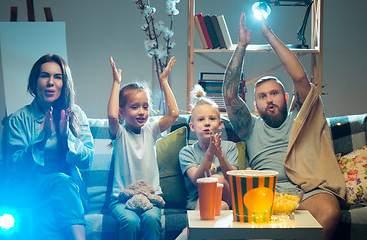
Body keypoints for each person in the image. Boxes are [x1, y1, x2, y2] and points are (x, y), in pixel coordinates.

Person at [222, 12, 346, 240]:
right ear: (255, 104)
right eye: (262, 96)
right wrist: (242, 45)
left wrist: (268, 35)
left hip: (306, 191)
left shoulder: (301, 119)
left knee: (329, 211)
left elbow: (300, 79)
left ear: (287, 98)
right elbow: (229, 95)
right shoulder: (249, 126)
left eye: (274, 93)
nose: (269, 99)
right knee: (262, 226)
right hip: (264, 194)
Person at [6, 54, 93, 240]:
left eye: (58, 77)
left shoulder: (76, 114)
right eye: (44, 76)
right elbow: (14, 169)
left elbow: (87, 160)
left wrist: (66, 135)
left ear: (65, 82)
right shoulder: (17, 120)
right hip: (31, 187)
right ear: (35, 81)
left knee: (48, 220)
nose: (50, 82)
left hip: (68, 195)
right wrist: (43, 138)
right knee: (60, 181)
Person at [107, 56, 179, 240]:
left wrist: (163, 81)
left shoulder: (151, 130)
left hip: (151, 197)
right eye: (135, 107)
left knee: (151, 219)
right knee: (130, 221)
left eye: (145, 107)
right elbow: (112, 116)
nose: (142, 112)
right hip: (121, 199)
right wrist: (116, 82)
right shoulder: (120, 134)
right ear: (122, 112)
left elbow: (174, 114)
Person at [176, 84, 239, 240]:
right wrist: (210, 153)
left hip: (226, 196)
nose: (207, 123)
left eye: (212, 119)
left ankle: (189, 232)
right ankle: (195, 230)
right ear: (192, 126)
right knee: (221, 207)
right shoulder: (186, 152)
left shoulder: (230, 147)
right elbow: (197, 180)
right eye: (201, 119)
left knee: (217, 179)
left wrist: (219, 153)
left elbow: (233, 179)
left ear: (220, 124)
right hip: (198, 204)